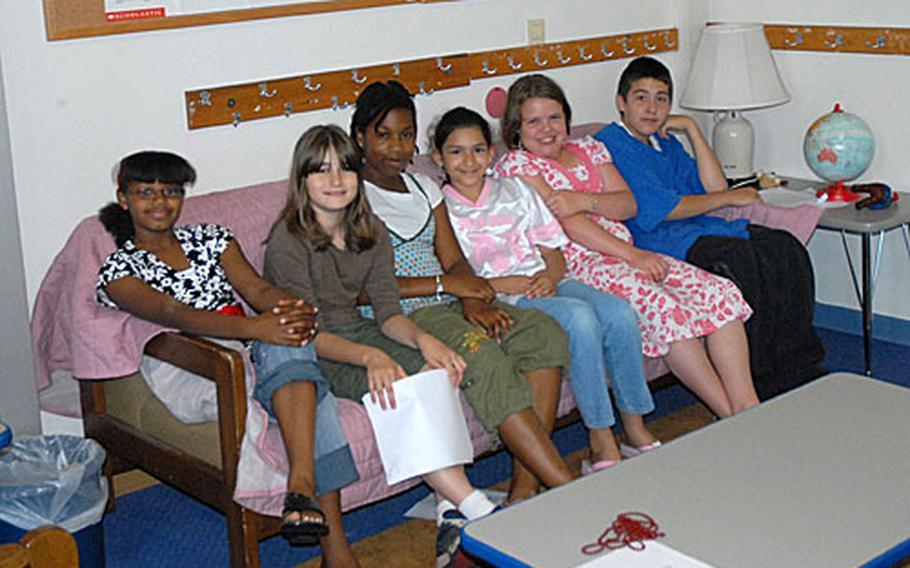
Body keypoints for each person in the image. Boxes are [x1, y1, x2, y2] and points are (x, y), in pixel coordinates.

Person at [95, 151, 360, 564]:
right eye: (145, 192)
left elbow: (257, 291)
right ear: (124, 199)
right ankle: (334, 542)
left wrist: (288, 307)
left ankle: (303, 492)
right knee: (299, 371)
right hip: (197, 364)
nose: (160, 201)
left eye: (170, 191)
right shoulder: (120, 270)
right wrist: (257, 328)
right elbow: (173, 314)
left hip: (251, 348)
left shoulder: (211, 238)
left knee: (291, 348)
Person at [262, 124, 499, 568]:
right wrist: (372, 357)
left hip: (360, 329)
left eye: (345, 169)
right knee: (399, 388)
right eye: (321, 171)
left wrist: (426, 341)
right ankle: (477, 508)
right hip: (317, 346)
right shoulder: (288, 240)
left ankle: (451, 510)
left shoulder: (370, 231)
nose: (335, 181)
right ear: (302, 180)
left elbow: (388, 313)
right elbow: (305, 332)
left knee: (437, 371)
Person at [350, 81, 576, 504]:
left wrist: (472, 298)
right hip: (399, 314)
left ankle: (524, 493)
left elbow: (454, 260)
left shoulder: (423, 188)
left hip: (449, 301)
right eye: (383, 135)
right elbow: (360, 290)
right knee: (486, 358)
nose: (397, 147)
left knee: (543, 334)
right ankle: (566, 492)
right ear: (360, 136)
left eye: (405, 135)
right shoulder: (351, 195)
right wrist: (448, 287)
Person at [495, 74, 760, 418]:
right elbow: (568, 224)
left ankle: (748, 406)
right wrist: (631, 252)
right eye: (534, 121)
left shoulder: (588, 147)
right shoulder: (519, 166)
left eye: (554, 118)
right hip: (580, 266)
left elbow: (628, 204)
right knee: (665, 308)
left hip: (625, 254)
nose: (546, 129)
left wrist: (583, 200)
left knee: (720, 292)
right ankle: (730, 416)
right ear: (516, 128)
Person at [433, 106, 660, 470]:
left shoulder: (515, 190)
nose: (468, 161)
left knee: (618, 312)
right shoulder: (442, 209)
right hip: (506, 296)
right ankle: (600, 437)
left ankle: (634, 425)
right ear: (438, 157)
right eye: (456, 152)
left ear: (491, 154)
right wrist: (504, 284)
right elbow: (454, 276)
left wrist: (551, 277)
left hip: (547, 280)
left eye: (477, 150)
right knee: (580, 319)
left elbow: (553, 250)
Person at [594, 56, 825, 399]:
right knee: (741, 262)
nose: (652, 108)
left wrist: (690, 128)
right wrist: (725, 200)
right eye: (641, 97)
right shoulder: (611, 143)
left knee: (785, 247)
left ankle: (799, 365)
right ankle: (761, 378)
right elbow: (669, 209)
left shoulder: (663, 142)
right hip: (661, 241)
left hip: (701, 228)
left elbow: (714, 187)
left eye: (661, 98)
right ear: (621, 102)